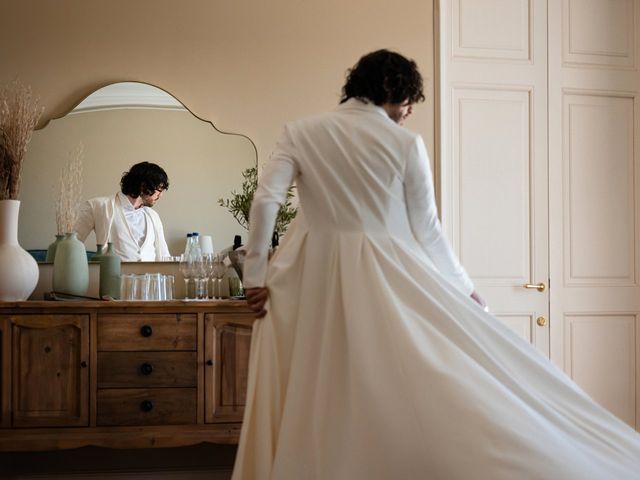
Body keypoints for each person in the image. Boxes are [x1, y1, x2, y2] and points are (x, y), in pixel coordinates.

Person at [233, 50, 640, 479]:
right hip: (383, 272)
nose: (409, 112)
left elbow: (267, 201)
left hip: (308, 274)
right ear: (391, 89)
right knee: (395, 377)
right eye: (409, 99)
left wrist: (256, 276)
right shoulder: (405, 144)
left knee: (318, 378)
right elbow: (427, 229)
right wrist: (463, 288)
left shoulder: (301, 131)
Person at [75, 161, 170, 261]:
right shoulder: (98, 206)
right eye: (159, 190)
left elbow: (164, 255)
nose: (160, 195)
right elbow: (70, 244)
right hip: (111, 276)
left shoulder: (153, 216)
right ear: (143, 186)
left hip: (151, 276)